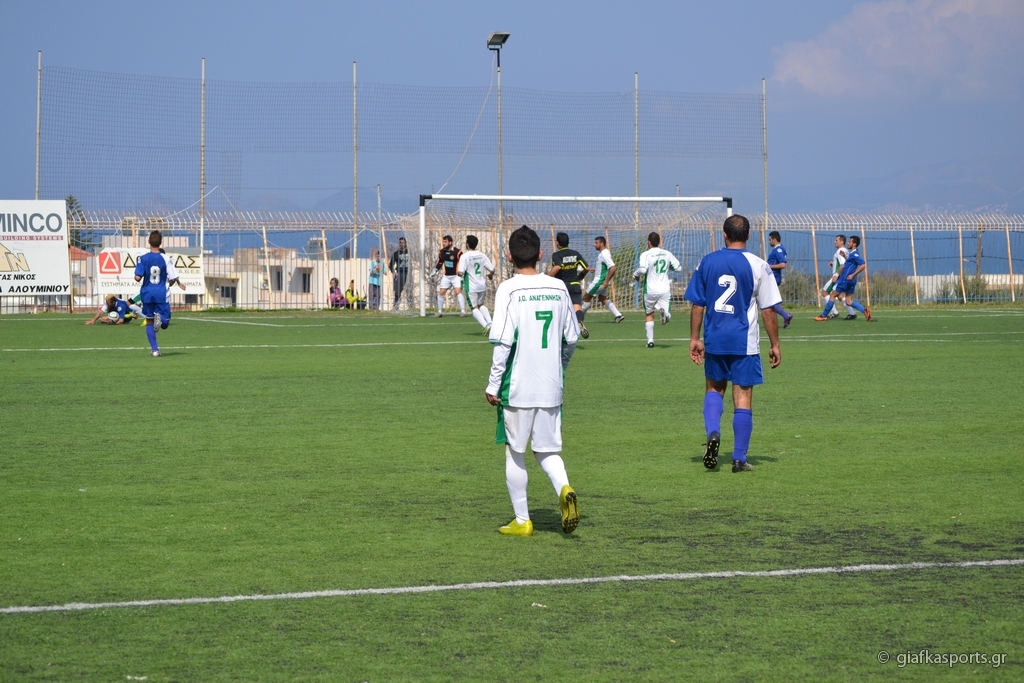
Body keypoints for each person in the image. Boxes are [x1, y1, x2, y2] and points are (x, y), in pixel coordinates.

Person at [485, 225, 581, 537]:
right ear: (540, 255)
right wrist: (560, 368)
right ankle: (564, 487)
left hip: (517, 386)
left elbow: (503, 342)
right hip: (551, 385)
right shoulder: (559, 288)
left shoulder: (508, 289)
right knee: (547, 451)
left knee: (515, 451)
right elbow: (571, 338)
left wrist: (493, 384)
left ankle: (523, 520)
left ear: (509, 256)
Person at [684, 214, 782, 473]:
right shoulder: (759, 265)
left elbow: (697, 305)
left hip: (715, 339)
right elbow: (768, 310)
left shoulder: (707, 262)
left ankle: (713, 433)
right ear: (748, 235)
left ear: (724, 235)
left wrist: (694, 338)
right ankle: (739, 459)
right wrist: (775, 344)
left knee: (714, 389)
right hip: (744, 342)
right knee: (743, 396)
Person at [133, 230, 183, 357]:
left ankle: (155, 350)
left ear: (148, 241)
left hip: (147, 293)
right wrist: (172, 283)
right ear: (161, 243)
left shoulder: (143, 258)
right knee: (165, 323)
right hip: (161, 293)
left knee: (149, 321)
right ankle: (161, 319)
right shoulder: (166, 258)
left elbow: (137, 278)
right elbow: (173, 278)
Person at [633, 232, 681, 348]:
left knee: (649, 314)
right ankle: (666, 315)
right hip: (664, 290)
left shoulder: (645, 254)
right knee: (668, 313)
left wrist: (635, 274)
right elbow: (678, 268)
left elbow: (643, 270)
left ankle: (650, 341)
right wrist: (667, 267)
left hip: (650, 290)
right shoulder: (667, 253)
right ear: (659, 242)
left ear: (648, 242)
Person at [815, 235, 871, 322]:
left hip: (846, 279)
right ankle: (865, 311)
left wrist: (853, 274)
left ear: (854, 244)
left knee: (832, 295)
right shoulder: (852, 253)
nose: (848, 243)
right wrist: (844, 257)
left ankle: (824, 316)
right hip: (851, 280)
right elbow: (849, 264)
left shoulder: (855, 254)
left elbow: (863, 265)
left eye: (850, 242)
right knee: (848, 301)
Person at [547, 232, 590, 339]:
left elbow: (557, 267)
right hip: (575, 284)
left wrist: (546, 278)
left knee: (560, 310)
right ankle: (579, 321)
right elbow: (587, 268)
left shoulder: (556, 255)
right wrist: (580, 276)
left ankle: (560, 334)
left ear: (558, 243)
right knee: (577, 308)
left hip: (561, 286)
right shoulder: (575, 254)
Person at [580, 235, 625, 326]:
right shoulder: (603, 253)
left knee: (586, 297)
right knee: (602, 298)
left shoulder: (604, 254)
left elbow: (613, 268)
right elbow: (605, 268)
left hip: (599, 281)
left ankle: (579, 319)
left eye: (596, 243)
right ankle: (618, 315)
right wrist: (596, 270)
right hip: (602, 280)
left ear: (602, 244)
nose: (594, 244)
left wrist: (606, 281)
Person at [456, 235, 496, 332]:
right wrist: (490, 276)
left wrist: (458, 272)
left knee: (474, 308)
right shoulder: (481, 255)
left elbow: (460, 272)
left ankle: (487, 327)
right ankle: (491, 324)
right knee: (481, 305)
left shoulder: (465, 256)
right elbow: (492, 269)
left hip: (471, 287)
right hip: (482, 285)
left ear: (467, 244)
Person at [431, 234, 466, 318]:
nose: (444, 243)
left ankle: (463, 311)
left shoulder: (458, 252)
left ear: (450, 242)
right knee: (441, 292)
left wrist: (462, 273)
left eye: (445, 242)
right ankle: (439, 312)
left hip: (456, 276)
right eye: (443, 242)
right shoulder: (441, 252)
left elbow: (463, 262)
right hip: (446, 276)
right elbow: (440, 262)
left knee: (458, 292)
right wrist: (435, 270)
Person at [766, 231, 794, 328]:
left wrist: (769, 266)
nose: (769, 241)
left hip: (774, 277)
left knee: (767, 301)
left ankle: (786, 315)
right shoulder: (779, 249)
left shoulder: (778, 250)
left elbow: (783, 264)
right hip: (773, 277)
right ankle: (785, 316)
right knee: (770, 300)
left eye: (770, 239)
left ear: (774, 239)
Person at [822, 235, 853, 319]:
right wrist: (834, 264)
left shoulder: (840, 251)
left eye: (836, 240)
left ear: (842, 242)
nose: (834, 242)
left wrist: (836, 275)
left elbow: (842, 265)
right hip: (843, 276)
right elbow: (845, 263)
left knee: (825, 292)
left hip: (838, 276)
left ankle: (834, 312)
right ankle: (852, 313)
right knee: (840, 296)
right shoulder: (846, 251)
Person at [389, 237, 411, 308]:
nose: (402, 244)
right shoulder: (396, 253)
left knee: (409, 291)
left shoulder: (410, 252)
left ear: (406, 243)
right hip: (400, 273)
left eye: (403, 242)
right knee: (398, 291)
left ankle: (411, 306)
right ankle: (396, 306)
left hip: (408, 273)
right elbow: (390, 265)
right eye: (400, 243)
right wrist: (393, 272)